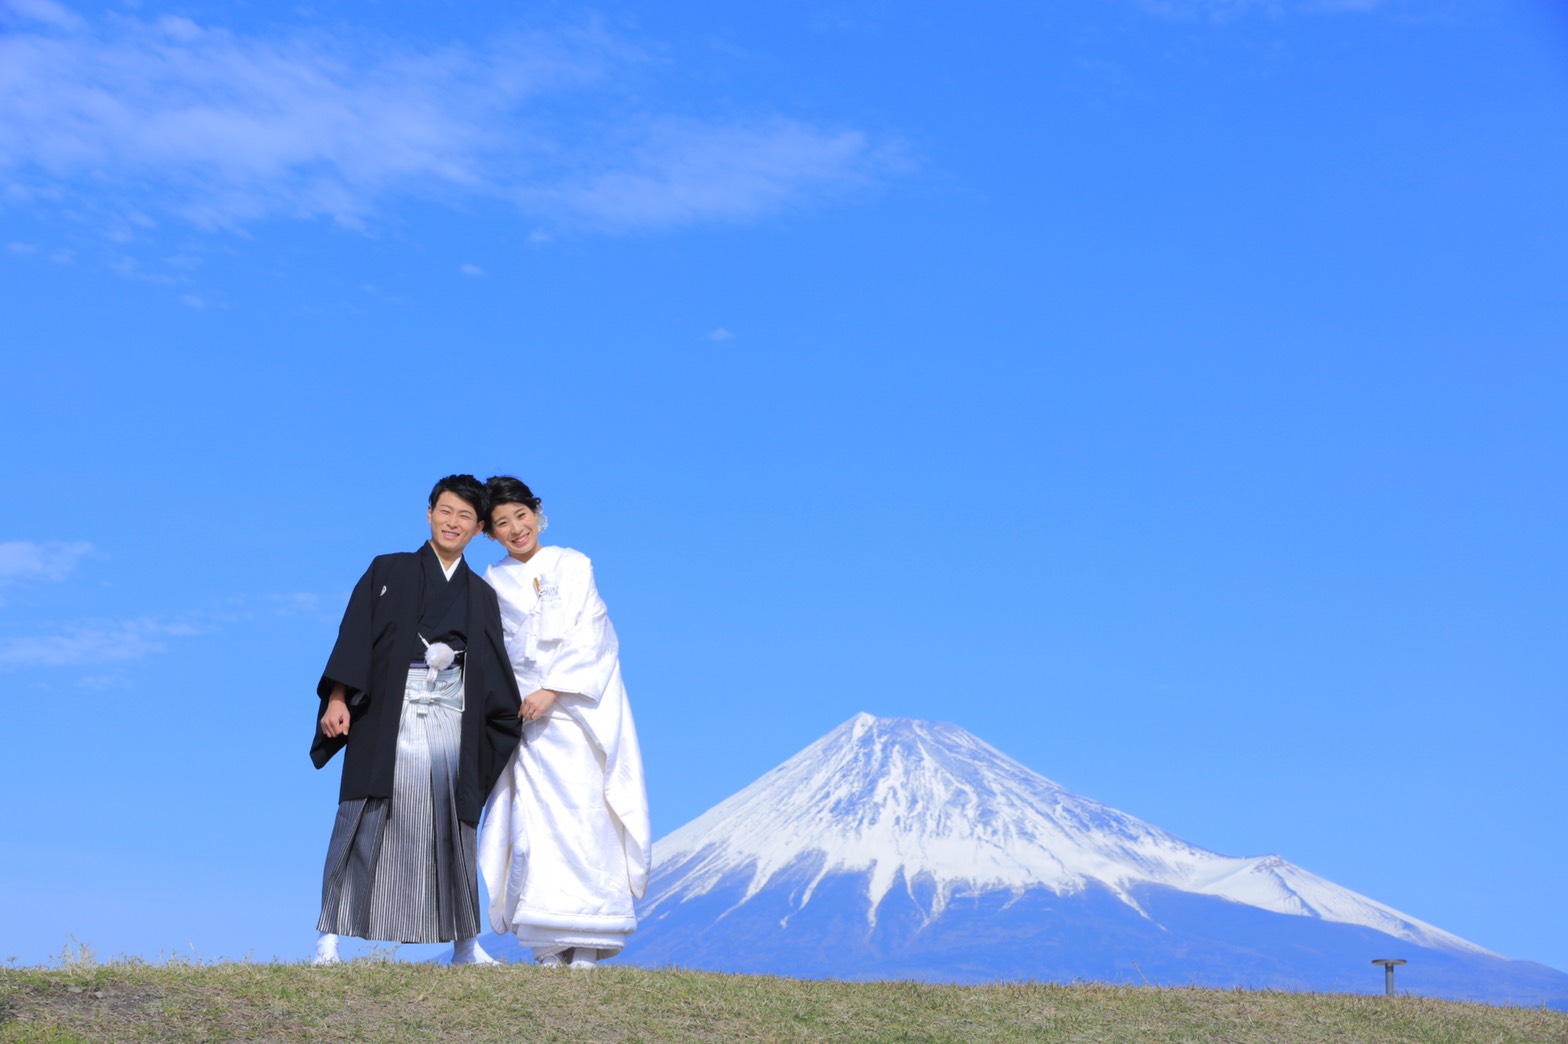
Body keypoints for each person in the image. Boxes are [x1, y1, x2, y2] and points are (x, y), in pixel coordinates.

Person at [309, 475, 522, 966]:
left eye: (465, 517)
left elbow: (491, 672)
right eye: (446, 511)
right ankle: (329, 937)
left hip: (452, 717)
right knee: (363, 818)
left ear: (476, 528)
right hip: (389, 715)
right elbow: (354, 636)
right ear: (429, 513)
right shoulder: (389, 570)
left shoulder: (480, 596)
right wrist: (338, 698)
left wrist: (509, 715)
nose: (453, 522)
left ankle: (466, 944)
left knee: (453, 825)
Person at [477, 475, 651, 969]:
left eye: (521, 516)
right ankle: (549, 943)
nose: (516, 529)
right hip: (527, 719)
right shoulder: (492, 581)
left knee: (589, 818)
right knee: (535, 826)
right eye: (502, 523)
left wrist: (553, 690)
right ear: (490, 533)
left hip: (577, 711)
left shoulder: (574, 564)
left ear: (538, 512)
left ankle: (590, 942)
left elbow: (592, 632)